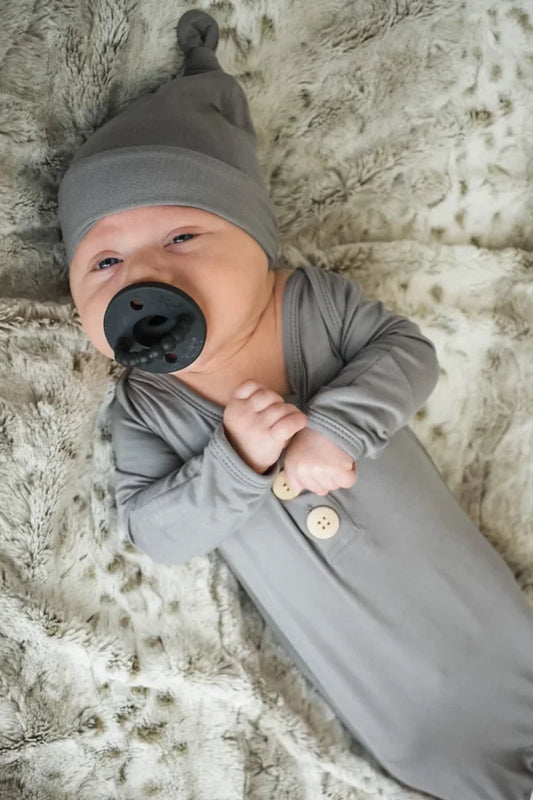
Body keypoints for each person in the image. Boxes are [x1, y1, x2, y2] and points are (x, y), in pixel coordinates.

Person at [57, 10, 533, 799]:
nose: (143, 282)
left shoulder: (313, 304)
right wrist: (236, 460)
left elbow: (407, 355)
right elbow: (158, 532)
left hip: (489, 627)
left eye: (181, 238)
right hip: (395, 706)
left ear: (256, 239)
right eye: (104, 261)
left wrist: (336, 427)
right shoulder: (146, 407)